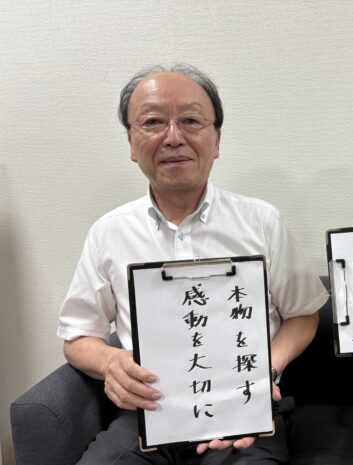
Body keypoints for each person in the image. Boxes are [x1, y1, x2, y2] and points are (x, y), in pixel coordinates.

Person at [57, 63, 328, 464]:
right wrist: (112, 361)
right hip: (150, 411)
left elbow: (303, 315)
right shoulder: (109, 232)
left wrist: (262, 370)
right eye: (153, 122)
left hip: (242, 409)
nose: (173, 137)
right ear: (131, 143)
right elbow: (77, 337)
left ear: (216, 140)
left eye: (190, 121)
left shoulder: (261, 221)